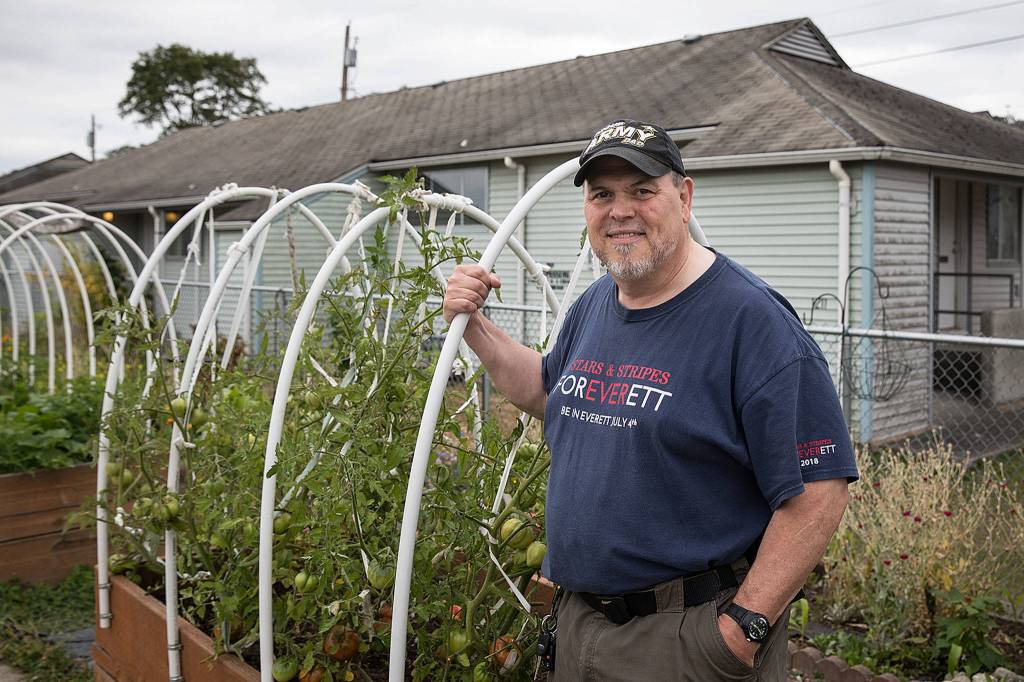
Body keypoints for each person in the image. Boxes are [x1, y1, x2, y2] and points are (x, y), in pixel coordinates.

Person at [441, 119, 858, 681]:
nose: (620, 210)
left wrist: (741, 631)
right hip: (580, 626)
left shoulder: (752, 323)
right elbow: (548, 390)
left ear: (683, 197)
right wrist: (477, 329)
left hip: (686, 638)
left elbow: (819, 489)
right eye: (602, 194)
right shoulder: (596, 304)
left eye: (642, 191)